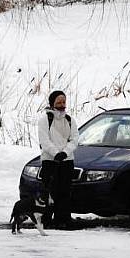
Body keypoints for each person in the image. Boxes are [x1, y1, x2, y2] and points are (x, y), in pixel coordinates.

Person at [37, 90, 79, 228]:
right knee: (50, 190)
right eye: (58, 102)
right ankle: (47, 219)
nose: (62, 105)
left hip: (67, 161)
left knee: (65, 191)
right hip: (50, 161)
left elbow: (74, 140)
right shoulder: (45, 120)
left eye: (63, 102)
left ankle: (64, 219)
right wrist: (56, 154)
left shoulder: (70, 120)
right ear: (52, 103)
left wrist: (65, 153)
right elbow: (44, 141)